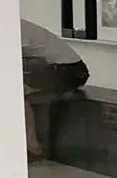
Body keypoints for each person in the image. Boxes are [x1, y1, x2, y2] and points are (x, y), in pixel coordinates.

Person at [20, 18, 89, 159]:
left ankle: (33, 147)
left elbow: (9, 59)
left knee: (16, 95)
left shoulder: (13, 27)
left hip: (69, 72)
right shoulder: (11, 24)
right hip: (62, 69)